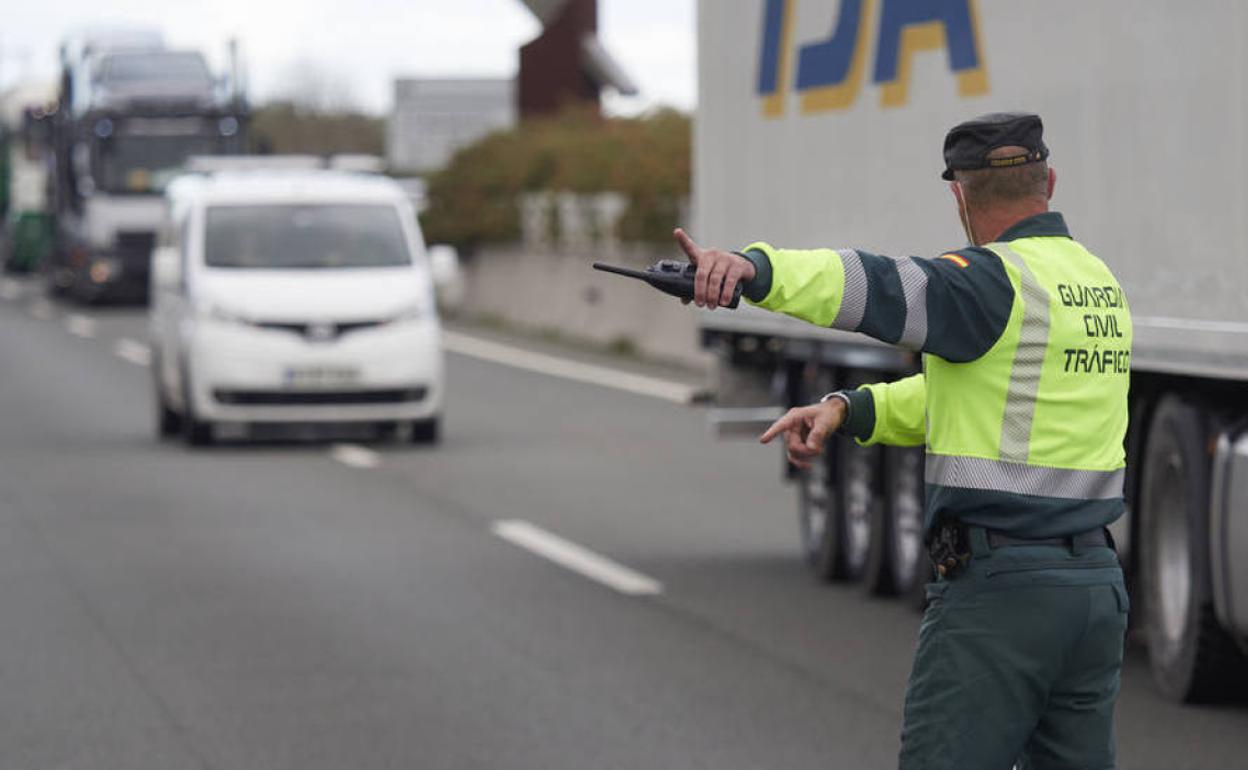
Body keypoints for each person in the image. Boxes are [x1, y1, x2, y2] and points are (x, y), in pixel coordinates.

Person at [675, 112, 1132, 770]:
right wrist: (850, 408)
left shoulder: (986, 280)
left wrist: (754, 271)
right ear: (1050, 182)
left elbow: (868, 284)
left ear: (959, 195)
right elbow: (986, 398)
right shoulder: (1098, 285)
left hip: (1001, 594)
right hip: (1092, 592)